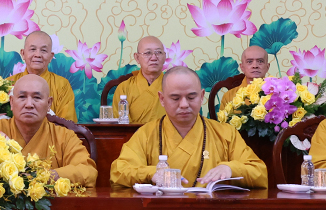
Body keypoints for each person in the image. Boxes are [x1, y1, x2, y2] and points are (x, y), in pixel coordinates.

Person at [111, 66, 267, 189]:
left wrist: (230, 169)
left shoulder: (225, 133)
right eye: (175, 98)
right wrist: (152, 173)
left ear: (201, 96)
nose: (184, 104)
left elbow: (259, 172)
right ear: (162, 99)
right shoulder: (146, 134)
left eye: (191, 97)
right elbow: (119, 171)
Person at [0, 74, 96, 185]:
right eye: (22, 97)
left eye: (37, 98)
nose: (29, 104)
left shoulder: (64, 136)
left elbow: (88, 171)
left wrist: (49, 176)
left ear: (49, 103)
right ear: (12, 102)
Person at [8, 31, 76, 122]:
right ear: (23, 54)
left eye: (43, 50)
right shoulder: (8, 83)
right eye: (33, 49)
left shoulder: (62, 85)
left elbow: (67, 124)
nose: (38, 55)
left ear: (51, 56)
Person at [112, 36, 166, 123]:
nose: (154, 58)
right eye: (148, 53)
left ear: (164, 57)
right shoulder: (124, 88)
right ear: (137, 58)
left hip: (164, 132)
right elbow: (121, 127)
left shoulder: (174, 87)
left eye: (158, 52)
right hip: (133, 132)